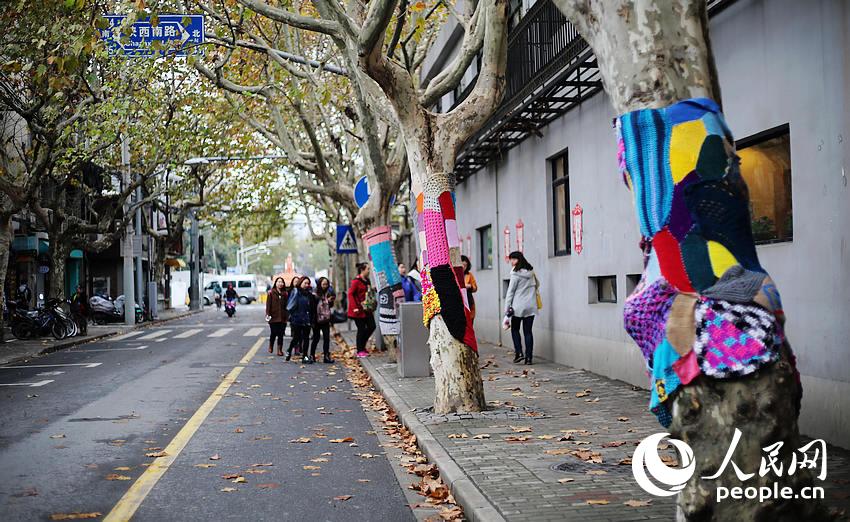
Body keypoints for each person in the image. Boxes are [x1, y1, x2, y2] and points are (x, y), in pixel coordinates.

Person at [504, 251, 541, 365]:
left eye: (513, 259)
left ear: (518, 260)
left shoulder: (515, 274)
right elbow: (537, 285)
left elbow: (510, 292)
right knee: (528, 332)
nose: (511, 262)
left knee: (515, 329)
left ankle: (519, 352)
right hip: (530, 306)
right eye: (511, 259)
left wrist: (507, 309)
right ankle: (529, 358)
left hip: (518, 307)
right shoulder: (531, 272)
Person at [347, 262, 376, 358]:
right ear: (362, 270)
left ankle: (362, 346)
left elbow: (367, 292)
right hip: (358, 310)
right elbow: (350, 294)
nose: (369, 271)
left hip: (367, 309)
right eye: (368, 269)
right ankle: (360, 350)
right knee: (361, 329)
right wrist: (354, 307)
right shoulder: (356, 281)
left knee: (372, 326)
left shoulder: (367, 280)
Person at [287, 276, 314, 363]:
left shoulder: (309, 294)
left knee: (306, 338)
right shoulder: (295, 292)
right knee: (296, 338)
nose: (306, 285)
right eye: (305, 283)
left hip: (306, 319)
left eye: (308, 283)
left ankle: (305, 356)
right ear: (300, 283)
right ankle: (289, 350)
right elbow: (290, 306)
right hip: (297, 319)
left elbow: (311, 307)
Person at [311, 277, 335, 363]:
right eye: (323, 284)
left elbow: (331, 306)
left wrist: (330, 301)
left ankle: (326, 356)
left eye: (326, 284)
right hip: (316, 319)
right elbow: (312, 307)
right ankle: (312, 355)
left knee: (326, 338)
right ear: (320, 284)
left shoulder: (329, 293)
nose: (325, 286)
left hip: (325, 319)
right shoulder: (315, 293)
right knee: (316, 338)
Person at [265, 277, 288, 356]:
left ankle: (279, 350)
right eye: (279, 282)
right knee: (273, 333)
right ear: (275, 283)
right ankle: (271, 345)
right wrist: (268, 314)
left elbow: (287, 305)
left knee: (281, 334)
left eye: (282, 282)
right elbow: (268, 305)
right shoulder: (271, 293)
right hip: (273, 317)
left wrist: (287, 315)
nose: (280, 283)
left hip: (283, 317)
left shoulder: (285, 293)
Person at [287, 276, 303, 355]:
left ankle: (300, 347)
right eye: (295, 281)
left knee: (301, 334)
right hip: (293, 316)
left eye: (298, 281)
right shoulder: (290, 292)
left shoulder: (302, 291)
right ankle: (295, 348)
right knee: (295, 334)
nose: (296, 283)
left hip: (302, 316)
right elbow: (288, 305)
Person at [461, 255, 478, 322]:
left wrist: (470, 286)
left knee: (470, 320)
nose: (464, 267)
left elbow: (475, 287)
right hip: (459, 300)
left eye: (465, 265)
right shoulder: (454, 274)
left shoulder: (469, 275)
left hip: (468, 300)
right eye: (462, 265)